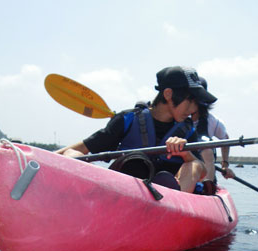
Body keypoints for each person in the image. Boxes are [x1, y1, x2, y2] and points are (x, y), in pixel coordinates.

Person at [56, 66, 217, 193]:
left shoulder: (187, 130)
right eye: (191, 101)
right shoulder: (128, 119)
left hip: (168, 199)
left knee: (194, 164)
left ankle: (173, 204)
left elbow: (202, 172)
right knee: (73, 155)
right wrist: (39, 157)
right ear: (168, 94)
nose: (194, 108)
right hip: (124, 190)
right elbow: (82, 148)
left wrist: (185, 153)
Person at [191, 77, 235, 194]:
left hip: (204, 167)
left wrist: (225, 165)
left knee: (207, 150)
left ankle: (207, 189)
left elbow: (225, 140)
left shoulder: (212, 122)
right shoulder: (178, 118)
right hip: (184, 165)